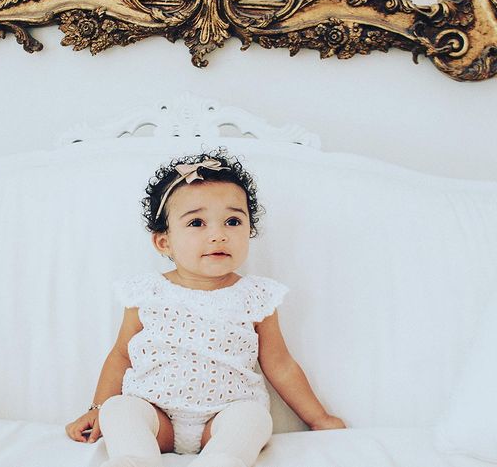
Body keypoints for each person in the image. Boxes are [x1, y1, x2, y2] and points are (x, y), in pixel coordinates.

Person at [65, 150, 345, 467]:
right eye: (197, 222)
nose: (218, 235)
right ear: (164, 242)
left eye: (233, 221)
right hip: (156, 416)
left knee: (254, 418)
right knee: (120, 408)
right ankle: (135, 460)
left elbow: (280, 366)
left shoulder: (255, 296)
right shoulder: (147, 292)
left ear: (249, 231)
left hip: (224, 418)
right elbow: (120, 355)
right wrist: (98, 407)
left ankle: (222, 460)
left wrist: (319, 418)